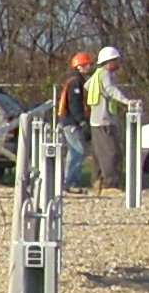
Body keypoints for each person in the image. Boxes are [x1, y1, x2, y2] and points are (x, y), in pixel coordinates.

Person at [85, 44, 130, 192]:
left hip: (96, 121)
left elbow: (87, 86)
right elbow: (111, 90)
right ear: (110, 61)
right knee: (111, 153)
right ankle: (110, 185)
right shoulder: (105, 74)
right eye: (116, 60)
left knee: (99, 154)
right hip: (104, 121)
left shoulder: (96, 74)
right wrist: (127, 101)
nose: (118, 63)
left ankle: (97, 182)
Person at [52, 52, 92, 190]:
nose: (89, 67)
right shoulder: (76, 81)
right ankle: (69, 182)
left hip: (69, 121)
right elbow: (75, 104)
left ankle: (67, 181)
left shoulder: (74, 80)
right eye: (87, 64)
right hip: (71, 122)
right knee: (78, 151)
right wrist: (82, 121)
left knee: (73, 151)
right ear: (79, 66)